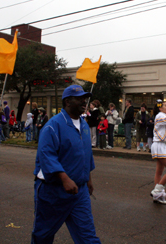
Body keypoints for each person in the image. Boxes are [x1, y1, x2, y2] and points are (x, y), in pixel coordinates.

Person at [31, 84, 101, 243]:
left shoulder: (83, 124)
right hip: (53, 191)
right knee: (43, 235)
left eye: (85, 98)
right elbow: (46, 155)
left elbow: (85, 154)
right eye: (80, 98)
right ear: (68, 101)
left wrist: (88, 178)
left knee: (88, 237)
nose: (84, 101)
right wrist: (64, 178)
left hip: (79, 191)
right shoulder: (53, 125)